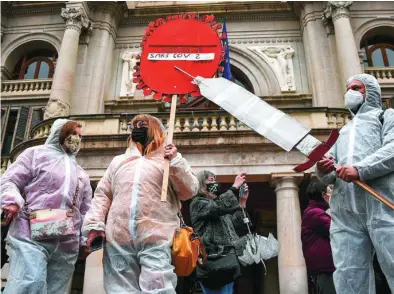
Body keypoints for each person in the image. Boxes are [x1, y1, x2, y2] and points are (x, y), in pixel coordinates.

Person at [82, 114, 199, 294]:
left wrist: (176, 162)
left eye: (143, 125)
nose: (137, 128)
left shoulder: (169, 160)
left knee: (158, 288)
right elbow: (102, 195)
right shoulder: (119, 161)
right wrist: (95, 225)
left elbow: (189, 191)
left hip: (156, 237)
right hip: (118, 239)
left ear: (155, 129)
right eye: (134, 125)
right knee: (120, 290)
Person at [316, 73, 394, 293]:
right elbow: (329, 169)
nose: (350, 92)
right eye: (348, 88)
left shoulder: (386, 117)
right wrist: (323, 170)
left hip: (383, 205)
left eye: (356, 87)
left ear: (370, 92)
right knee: (348, 272)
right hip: (344, 213)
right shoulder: (343, 131)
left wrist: (361, 170)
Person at [0, 119, 92, 294]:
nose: (76, 138)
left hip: (66, 241)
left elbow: (86, 209)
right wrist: (10, 200)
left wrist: (84, 240)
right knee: (29, 283)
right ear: (60, 133)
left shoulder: (81, 173)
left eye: (80, 135)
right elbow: (10, 180)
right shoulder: (35, 155)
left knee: (55, 289)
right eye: (73, 133)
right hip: (30, 232)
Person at [190, 171, 248, 294]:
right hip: (213, 260)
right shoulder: (197, 203)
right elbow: (217, 208)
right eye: (210, 180)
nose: (214, 183)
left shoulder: (219, 206)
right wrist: (234, 187)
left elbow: (238, 226)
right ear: (200, 184)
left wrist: (242, 202)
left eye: (215, 180)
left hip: (228, 260)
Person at [301, 180, 335, 294]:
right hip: (326, 267)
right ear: (324, 196)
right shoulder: (315, 213)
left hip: (325, 266)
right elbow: (336, 230)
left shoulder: (315, 211)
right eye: (331, 192)